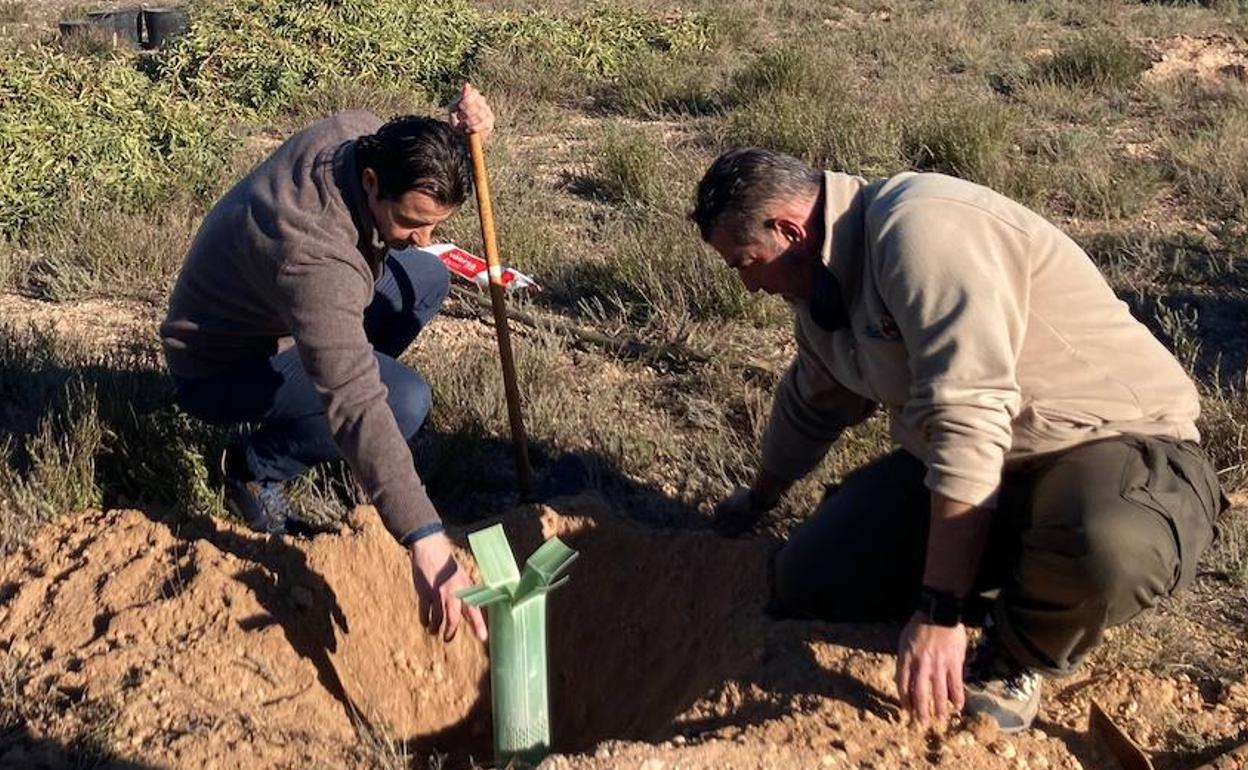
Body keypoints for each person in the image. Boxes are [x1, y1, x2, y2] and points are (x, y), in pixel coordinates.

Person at [695, 148, 1226, 733]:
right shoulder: (822, 289)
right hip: (994, 471)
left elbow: (968, 417)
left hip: (1112, 447)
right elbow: (814, 400)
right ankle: (1026, 577)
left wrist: (938, 610)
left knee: (1109, 545)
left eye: (745, 263)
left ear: (790, 230)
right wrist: (759, 499)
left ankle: (1017, 652)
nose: (747, 285)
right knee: (809, 577)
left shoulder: (920, 230)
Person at [160, 84, 495, 646]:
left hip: (282, 316)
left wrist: (456, 137)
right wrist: (426, 537)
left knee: (427, 276)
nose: (423, 236)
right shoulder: (316, 260)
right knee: (401, 402)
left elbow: (412, 165)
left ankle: (333, 413)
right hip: (220, 367)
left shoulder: (360, 134)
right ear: (371, 184)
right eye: (413, 221)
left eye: (433, 224)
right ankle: (254, 467)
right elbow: (356, 403)